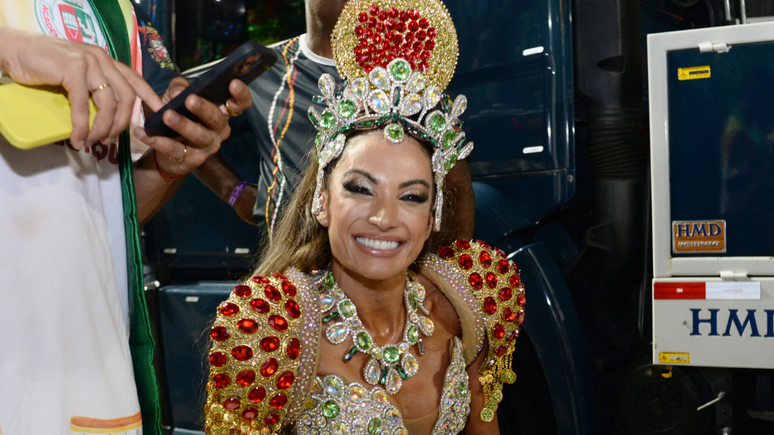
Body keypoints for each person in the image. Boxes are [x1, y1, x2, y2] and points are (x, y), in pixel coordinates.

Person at [202, 1, 524, 434]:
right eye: (359, 188)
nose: (384, 217)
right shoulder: (271, 332)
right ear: (321, 201)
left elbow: (486, 417)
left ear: (433, 216)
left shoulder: (471, 301)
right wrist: (237, 191)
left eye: (411, 196)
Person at [0, 2, 252, 434]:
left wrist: (170, 165)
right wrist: (10, 46)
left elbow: (108, 217)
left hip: (94, 377)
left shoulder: (119, 15)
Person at [192, 0, 475, 245]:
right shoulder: (263, 69)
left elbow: (456, 185)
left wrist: (443, 278)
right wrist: (235, 192)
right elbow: (185, 123)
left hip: (384, 276)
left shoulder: (404, 72)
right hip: (289, 277)